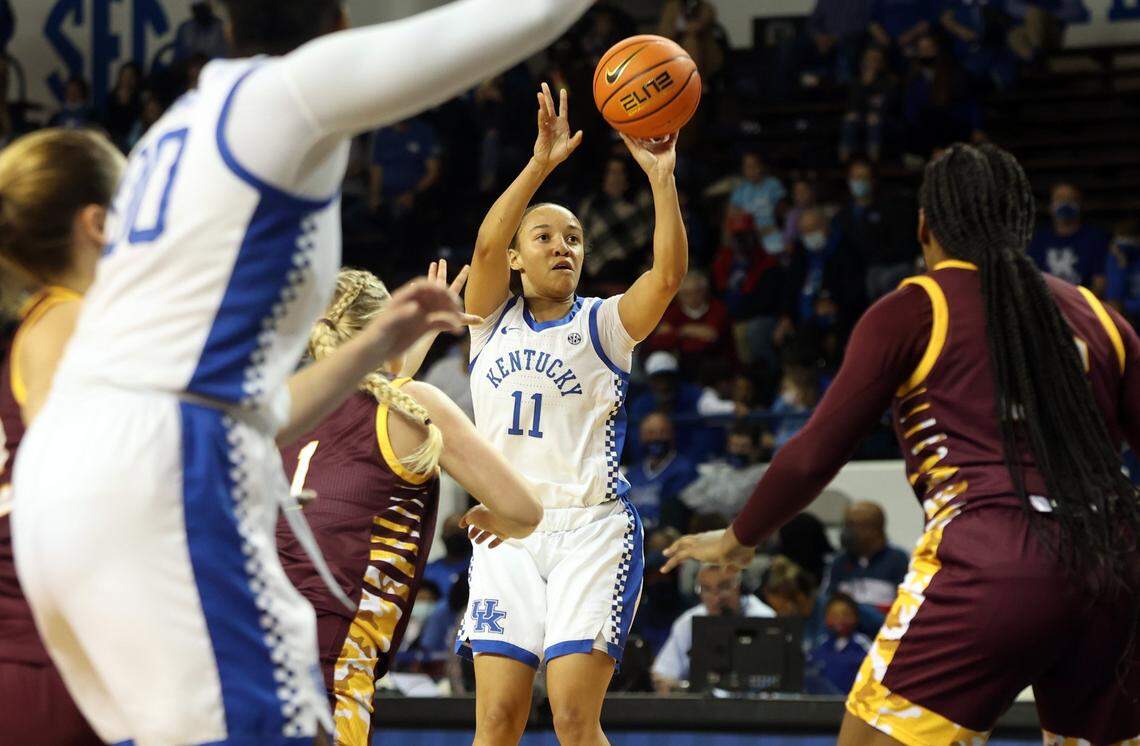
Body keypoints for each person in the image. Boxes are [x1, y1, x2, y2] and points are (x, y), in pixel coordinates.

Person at [10, 1, 596, 743]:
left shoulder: (175, 126)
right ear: (339, 30)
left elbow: (256, 403)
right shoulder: (277, 96)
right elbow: (468, 37)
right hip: (161, 462)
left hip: (66, 481)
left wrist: (381, 342)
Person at [663, 143, 1140, 744]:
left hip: (995, 553)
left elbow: (813, 455)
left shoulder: (918, 307)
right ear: (1023, 223)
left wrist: (739, 539)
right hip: (1116, 562)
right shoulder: (1102, 317)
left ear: (925, 228)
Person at [459, 82, 689, 745]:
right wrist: (540, 165)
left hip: (591, 528)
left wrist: (663, 180)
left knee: (570, 717)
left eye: (575, 238)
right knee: (498, 720)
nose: (564, 247)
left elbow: (667, 277)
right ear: (515, 258)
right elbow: (481, 249)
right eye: (546, 236)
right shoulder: (487, 322)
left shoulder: (604, 324)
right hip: (507, 531)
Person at [275, 269, 543, 746]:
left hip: (242, 654)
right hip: (329, 666)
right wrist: (484, 516)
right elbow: (524, 511)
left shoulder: (284, 410)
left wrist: (403, 354)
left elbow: (362, 414)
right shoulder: (413, 404)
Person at [0, 130, 122, 746]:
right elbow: (66, 484)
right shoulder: (71, 319)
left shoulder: (46, 319)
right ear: (98, 222)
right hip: (50, 659)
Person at [650, 564, 774, 693]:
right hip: (701, 709)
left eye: (724, 587)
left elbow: (773, 683)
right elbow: (663, 674)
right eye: (706, 589)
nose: (716, 597)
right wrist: (670, 685)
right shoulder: (688, 622)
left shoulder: (764, 619)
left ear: (741, 587)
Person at [831, 160, 917, 302]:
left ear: (872, 180)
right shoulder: (842, 215)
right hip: (853, 276)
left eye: (863, 177)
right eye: (855, 177)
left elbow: (900, 245)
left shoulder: (890, 209)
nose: (858, 182)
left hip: (883, 269)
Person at [823, 501, 908, 619]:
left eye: (852, 525)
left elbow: (906, 608)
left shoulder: (898, 560)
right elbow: (827, 602)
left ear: (874, 530)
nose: (846, 532)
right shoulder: (839, 561)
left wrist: (856, 610)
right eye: (846, 525)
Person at [577, 157, 654, 288]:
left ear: (627, 177)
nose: (615, 178)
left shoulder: (642, 200)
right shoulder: (590, 205)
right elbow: (581, 239)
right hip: (600, 272)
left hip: (638, 266)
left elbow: (655, 232)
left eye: (620, 172)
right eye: (611, 172)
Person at [644, 270, 735, 376]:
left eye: (697, 292)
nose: (692, 297)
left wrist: (678, 333)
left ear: (705, 291)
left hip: (715, 361)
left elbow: (712, 336)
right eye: (686, 293)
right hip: (683, 363)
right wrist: (687, 332)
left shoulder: (717, 308)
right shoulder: (672, 312)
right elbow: (658, 341)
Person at [1028, 182, 1110, 294]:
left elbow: (1100, 284)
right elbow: (1030, 282)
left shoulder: (1095, 238)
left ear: (1080, 204)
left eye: (1071, 199)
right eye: (1059, 198)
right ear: (1050, 206)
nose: (1065, 203)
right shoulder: (1037, 240)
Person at [626, 413, 699, 532]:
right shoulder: (632, 474)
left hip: (664, 534)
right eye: (650, 433)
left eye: (662, 432)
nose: (656, 438)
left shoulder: (685, 469)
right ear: (641, 437)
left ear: (672, 434)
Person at [840, 46, 898, 164]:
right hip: (861, 116)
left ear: (881, 62)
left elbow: (886, 104)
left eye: (875, 60)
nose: (871, 63)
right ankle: (845, 160)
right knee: (849, 120)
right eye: (869, 59)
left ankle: (873, 161)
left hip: (883, 118)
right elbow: (853, 105)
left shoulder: (889, 81)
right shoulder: (856, 82)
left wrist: (875, 112)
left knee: (874, 121)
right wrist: (865, 83)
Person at [809, 593, 874, 694]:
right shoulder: (819, 645)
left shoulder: (864, 646)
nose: (840, 619)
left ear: (855, 617)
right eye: (834, 615)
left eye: (845, 614)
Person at [726, 152, 786, 240]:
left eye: (754, 166)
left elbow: (782, 212)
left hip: (770, 231)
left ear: (761, 166)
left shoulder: (773, 184)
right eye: (748, 167)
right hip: (747, 234)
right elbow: (731, 214)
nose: (752, 170)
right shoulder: (741, 188)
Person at [102, 62, 143, 152]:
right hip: (113, 140)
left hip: (134, 140)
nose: (127, 79)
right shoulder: (111, 97)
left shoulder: (141, 98)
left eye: (131, 76)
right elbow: (106, 121)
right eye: (125, 75)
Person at [1106, 218, 1140, 326]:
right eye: (1120, 237)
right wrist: (1121, 266)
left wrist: (1125, 306)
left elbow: (1120, 305)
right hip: (1124, 321)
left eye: (1128, 237)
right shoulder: (1115, 259)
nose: (1123, 242)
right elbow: (1113, 299)